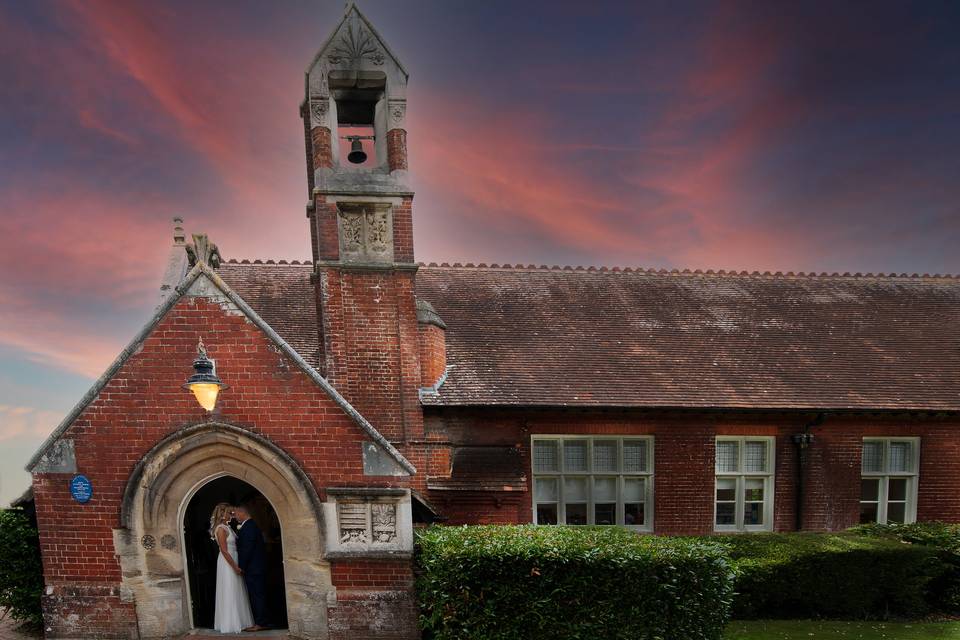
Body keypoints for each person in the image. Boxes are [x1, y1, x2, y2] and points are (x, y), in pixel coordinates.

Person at [210, 503, 254, 633]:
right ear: (223, 514)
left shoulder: (228, 527)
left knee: (237, 590)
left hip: (234, 559)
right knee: (230, 589)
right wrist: (235, 567)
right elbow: (224, 550)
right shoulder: (221, 529)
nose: (232, 515)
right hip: (227, 562)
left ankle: (240, 621)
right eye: (230, 513)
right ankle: (230, 623)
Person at [235, 504, 270, 631]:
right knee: (257, 594)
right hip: (255, 567)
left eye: (236, 514)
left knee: (257, 595)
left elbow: (247, 549)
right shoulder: (250, 525)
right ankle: (261, 621)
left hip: (254, 568)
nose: (235, 516)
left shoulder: (249, 527)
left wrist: (241, 566)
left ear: (242, 512)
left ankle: (261, 623)